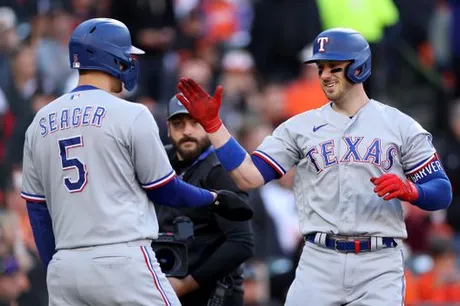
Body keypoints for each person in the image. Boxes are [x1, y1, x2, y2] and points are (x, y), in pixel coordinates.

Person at [176, 28, 453, 305]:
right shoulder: (299, 127)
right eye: (321, 68)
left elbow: (442, 191)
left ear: (359, 68)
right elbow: (248, 177)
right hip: (320, 259)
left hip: (379, 262)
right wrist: (215, 127)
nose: (324, 76)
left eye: (335, 67)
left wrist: (412, 191)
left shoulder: (399, 125)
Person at [20, 18, 252, 306]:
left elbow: (37, 210)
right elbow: (164, 189)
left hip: (65, 267)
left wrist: (55, 265)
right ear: (111, 58)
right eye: (126, 56)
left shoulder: (39, 121)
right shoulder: (131, 113)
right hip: (121, 259)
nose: (129, 63)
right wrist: (214, 198)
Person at [154, 96, 254, 306]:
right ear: (168, 128)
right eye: (178, 124)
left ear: (207, 125)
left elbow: (242, 242)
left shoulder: (221, 169)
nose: (187, 131)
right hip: (165, 287)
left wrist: (185, 285)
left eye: (195, 122)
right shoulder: (158, 162)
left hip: (213, 294)